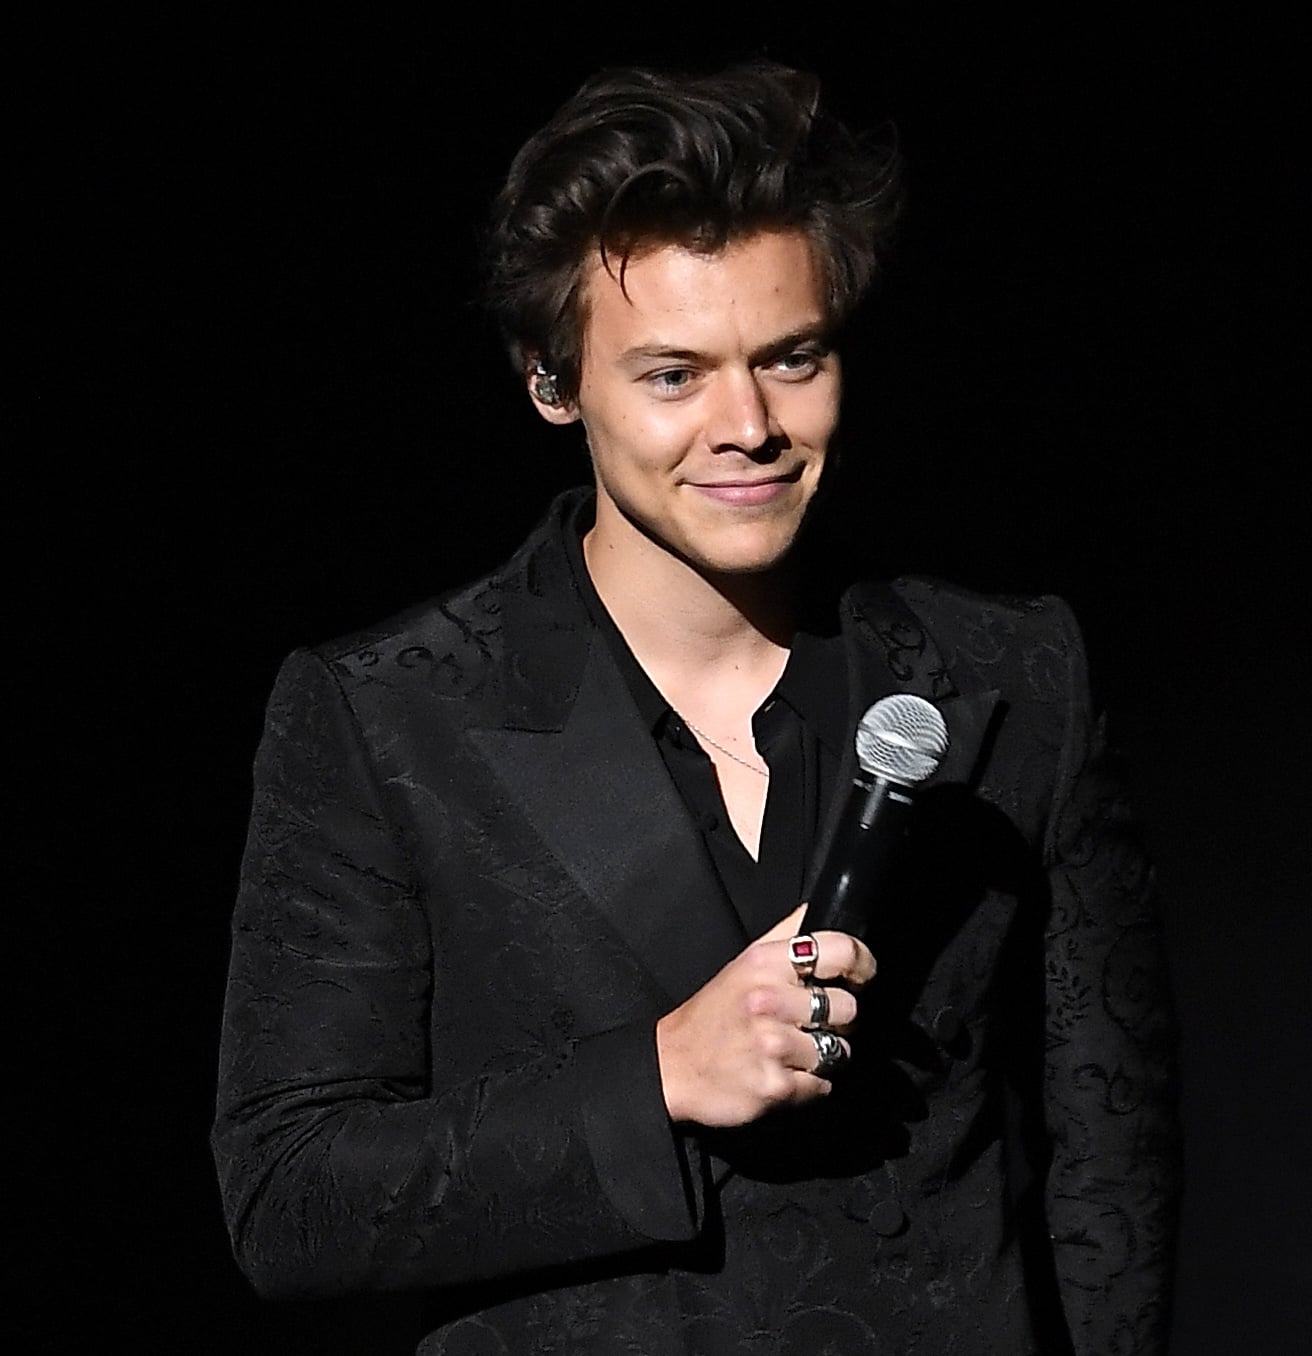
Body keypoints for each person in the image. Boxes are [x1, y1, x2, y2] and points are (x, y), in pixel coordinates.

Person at [212, 61, 1179, 1354]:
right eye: (673, 375)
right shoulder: (386, 715)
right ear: (554, 384)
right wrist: (656, 1077)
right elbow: (290, 1202)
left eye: (790, 358)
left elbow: (1111, 1171)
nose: (749, 426)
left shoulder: (1010, 674)